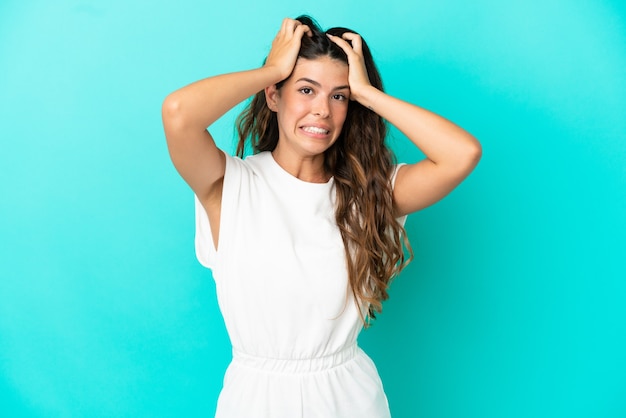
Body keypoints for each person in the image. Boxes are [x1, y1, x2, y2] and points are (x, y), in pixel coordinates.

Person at [162, 15, 480, 418]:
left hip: (348, 398)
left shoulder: (369, 194)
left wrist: (368, 94)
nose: (322, 111)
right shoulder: (229, 186)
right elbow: (177, 114)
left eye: (339, 96)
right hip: (256, 400)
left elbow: (462, 154)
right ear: (273, 96)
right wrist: (274, 70)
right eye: (306, 89)